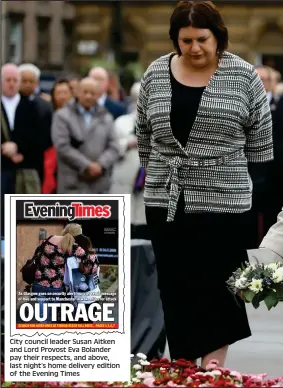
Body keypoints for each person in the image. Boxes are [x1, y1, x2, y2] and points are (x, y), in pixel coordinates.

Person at [135, 0, 273, 368]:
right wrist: (160, 172)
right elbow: (144, 136)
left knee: (219, 286)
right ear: (175, 39)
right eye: (185, 40)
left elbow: (261, 144)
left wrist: (255, 196)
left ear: (218, 37)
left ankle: (213, 366)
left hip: (226, 202)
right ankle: (183, 362)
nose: (194, 48)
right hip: (166, 197)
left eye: (201, 39)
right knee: (175, 285)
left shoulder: (244, 75)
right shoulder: (155, 72)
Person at [52, 77, 120, 194]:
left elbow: (114, 147)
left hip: (99, 185)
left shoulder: (106, 117)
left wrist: (101, 165)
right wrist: (86, 165)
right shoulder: (62, 116)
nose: (88, 96)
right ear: (77, 92)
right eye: (85, 92)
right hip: (72, 184)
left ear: (98, 95)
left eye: (92, 93)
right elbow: (62, 146)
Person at [29, 223, 97, 323]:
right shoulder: (72, 246)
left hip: (39, 284)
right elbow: (90, 261)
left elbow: (37, 254)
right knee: (53, 320)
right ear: (77, 235)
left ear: (65, 230)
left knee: (42, 319)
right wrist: (85, 269)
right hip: (56, 288)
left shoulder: (50, 238)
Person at [42, 79, 73, 194]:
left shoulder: (77, 116)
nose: (62, 96)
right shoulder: (47, 114)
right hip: (51, 163)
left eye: (65, 92)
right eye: (58, 93)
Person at [64, 234, 100, 321]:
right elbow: (97, 277)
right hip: (94, 296)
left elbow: (66, 281)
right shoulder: (94, 256)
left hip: (78, 300)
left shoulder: (69, 260)